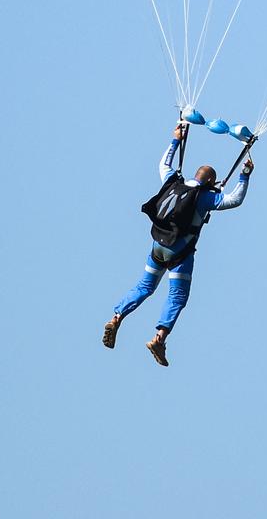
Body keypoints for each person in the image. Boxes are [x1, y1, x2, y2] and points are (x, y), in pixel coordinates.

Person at [102, 122, 254, 366]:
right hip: (179, 252)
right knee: (177, 297)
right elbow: (235, 199)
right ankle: (159, 339)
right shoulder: (205, 197)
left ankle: (117, 317)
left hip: (158, 247)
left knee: (145, 286)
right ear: (211, 182)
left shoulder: (173, 181)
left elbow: (163, 164)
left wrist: (175, 140)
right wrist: (244, 176)